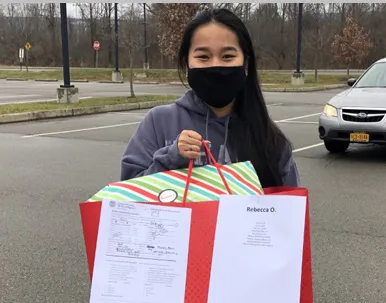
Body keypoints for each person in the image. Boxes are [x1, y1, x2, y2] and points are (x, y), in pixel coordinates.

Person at [121, 7, 300, 189]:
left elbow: (290, 210)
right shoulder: (159, 122)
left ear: (246, 64)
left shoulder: (269, 139)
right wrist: (171, 158)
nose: (215, 65)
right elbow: (127, 196)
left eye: (228, 56)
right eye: (203, 56)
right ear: (187, 64)